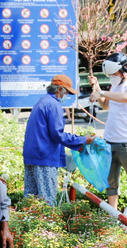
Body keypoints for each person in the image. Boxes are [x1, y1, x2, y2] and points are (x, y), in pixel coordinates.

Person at [23, 74, 95, 205]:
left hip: (32, 156)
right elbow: (57, 134)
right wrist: (82, 140)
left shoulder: (42, 102)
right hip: (44, 157)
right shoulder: (53, 105)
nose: (66, 95)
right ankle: (46, 225)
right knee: (47, 200)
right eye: (66, 91)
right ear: (59, 89)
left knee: (30, 201)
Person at [89, 52, 127, 209]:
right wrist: (97, 87)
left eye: (113, 73)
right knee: (111, 183)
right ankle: (113, 215)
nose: (112, 76)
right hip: (109, 141)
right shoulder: (115, 86)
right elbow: (105, 105)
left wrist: (102, 93)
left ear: (123, 69)